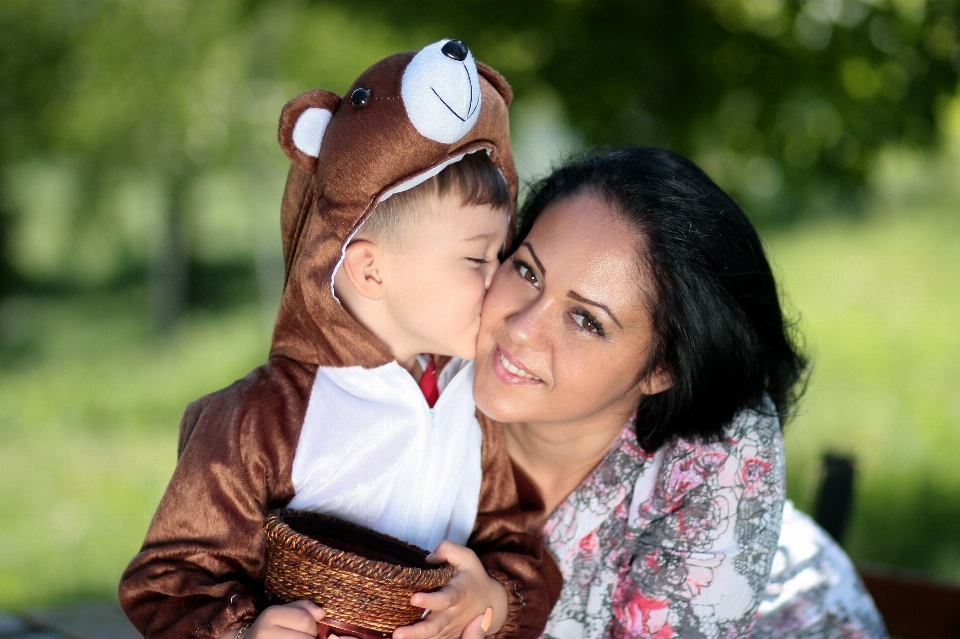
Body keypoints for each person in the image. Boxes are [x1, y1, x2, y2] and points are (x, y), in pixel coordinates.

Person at [119, 41, 558, 639]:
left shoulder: (474, 405)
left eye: (502, 254)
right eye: (477, 257)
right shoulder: (264, 417)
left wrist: (493, 598)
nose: (498, 278)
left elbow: (515, 545)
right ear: (371, 270)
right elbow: (171, 577)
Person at [470, 147, 888, 638]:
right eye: (528, 271)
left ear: (662, 368)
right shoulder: (431, 343)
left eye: (587, 320)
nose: (520, 329)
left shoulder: (722, 452)